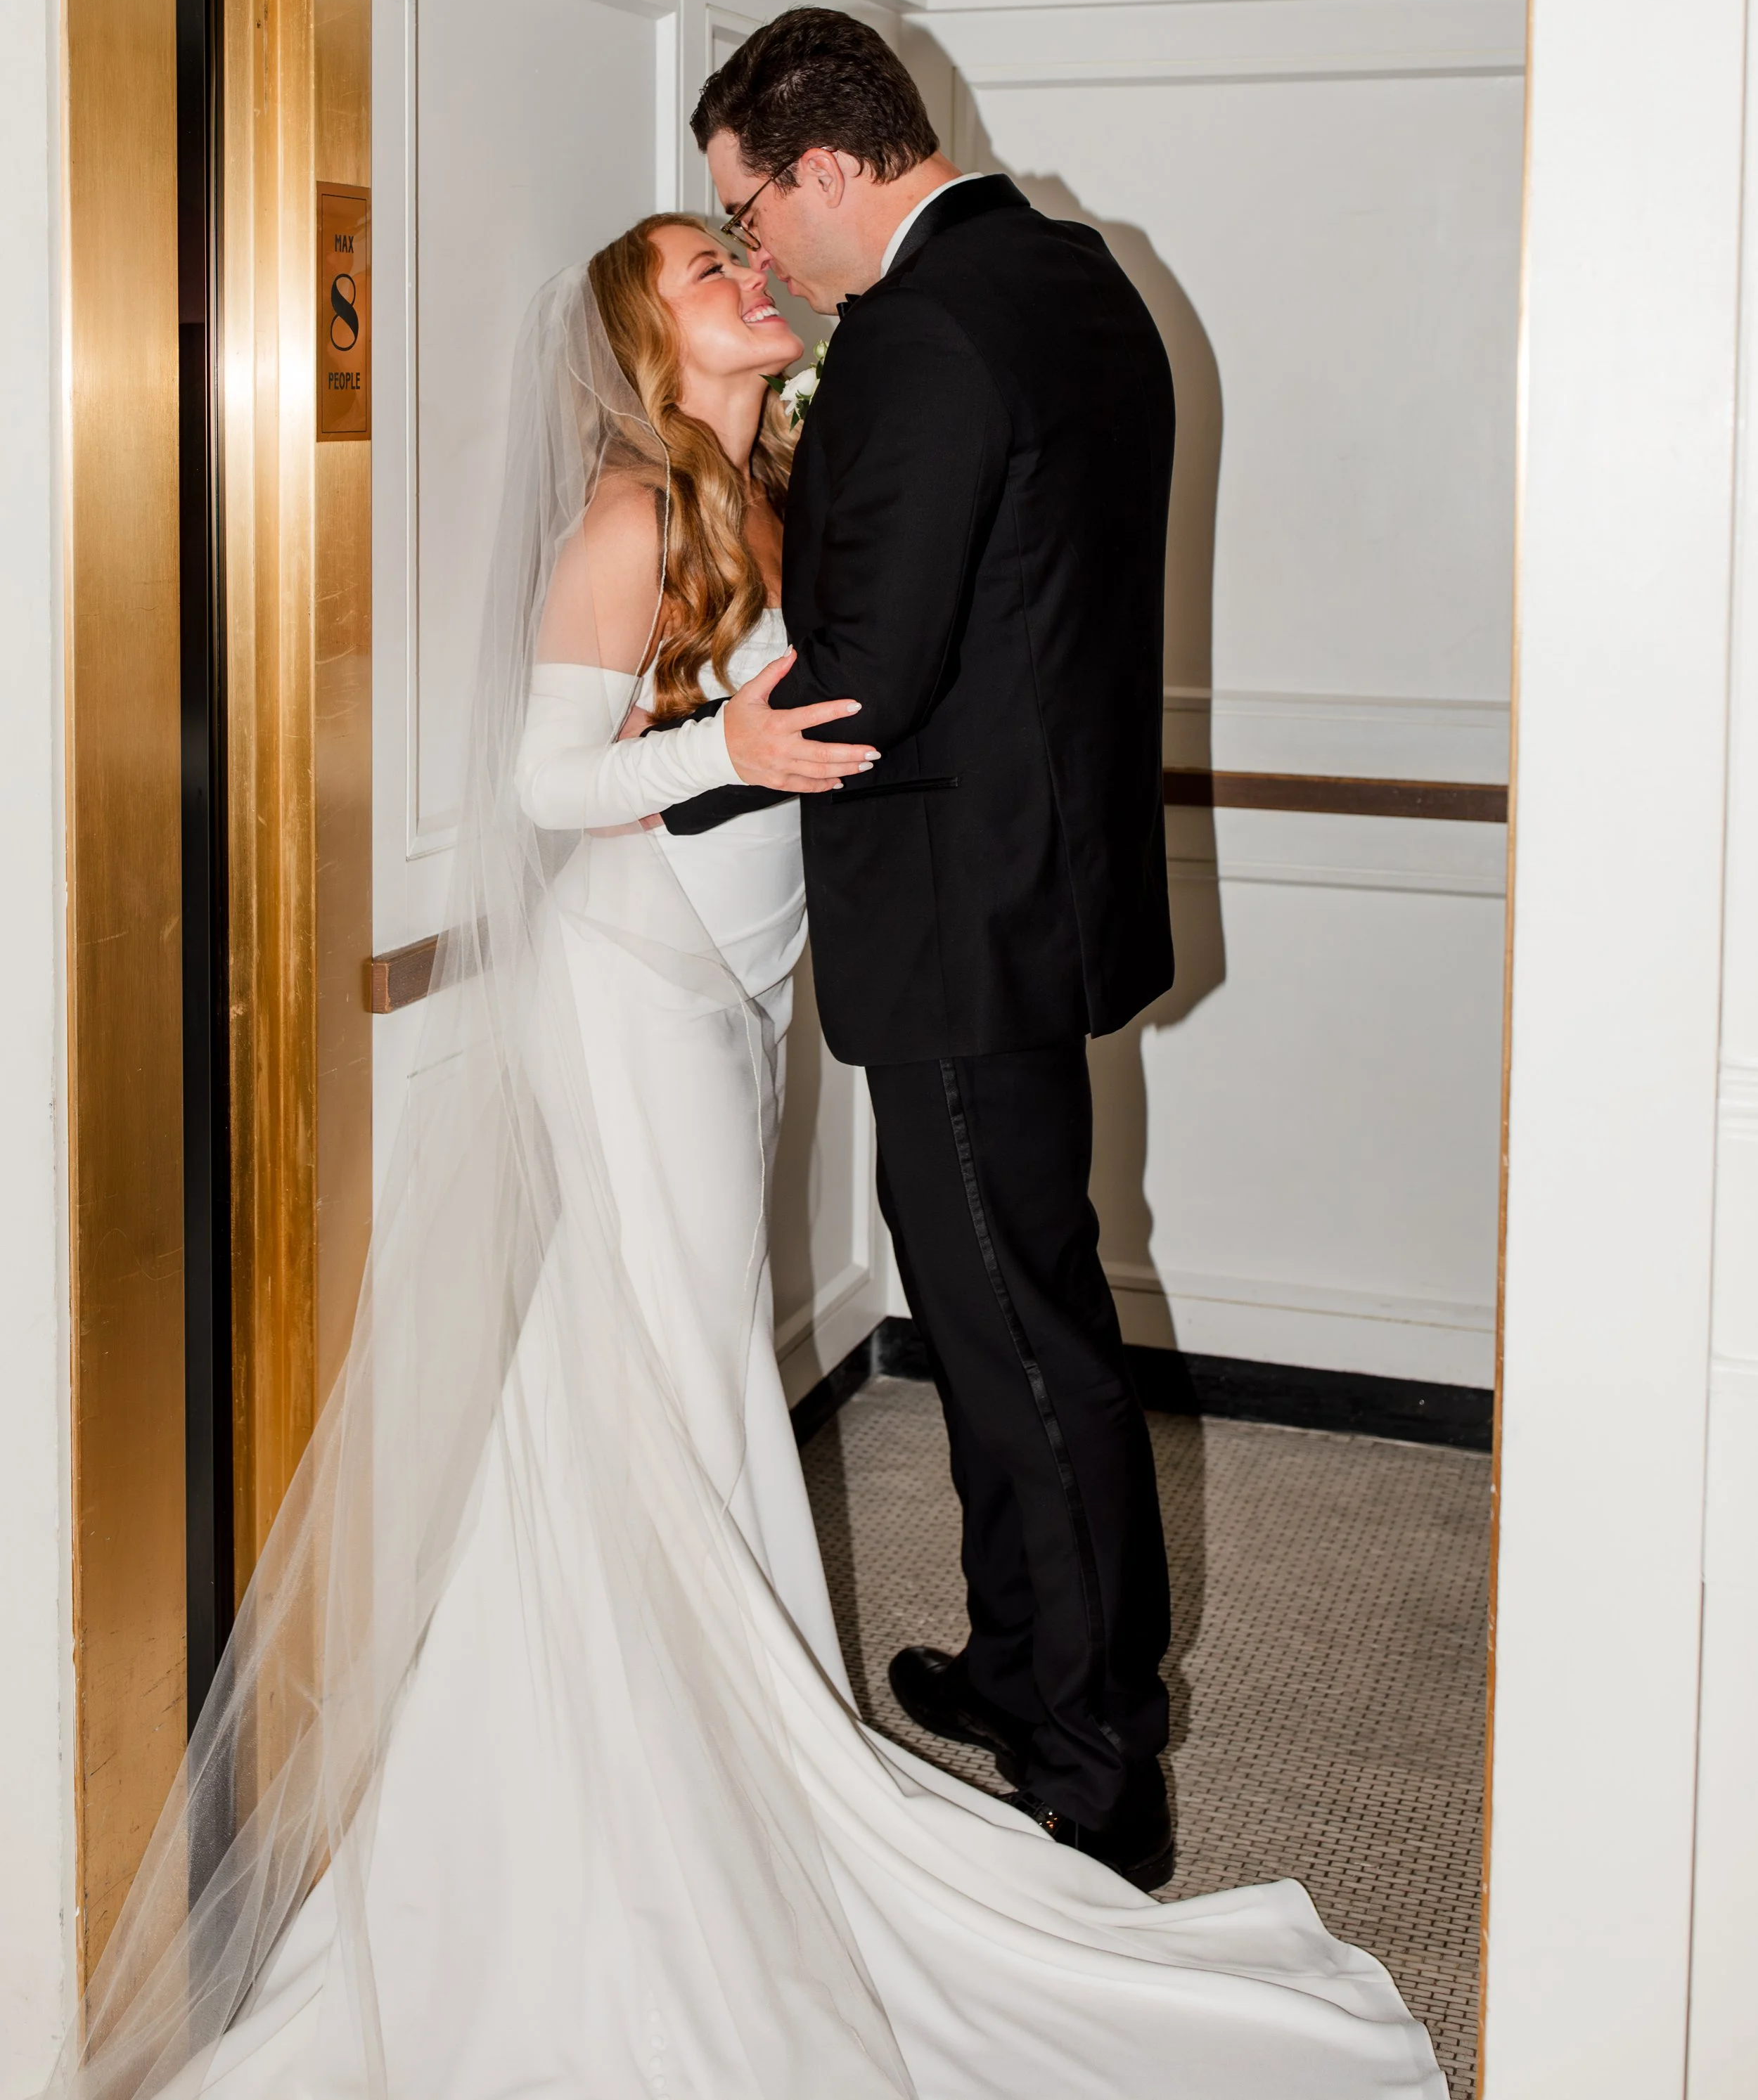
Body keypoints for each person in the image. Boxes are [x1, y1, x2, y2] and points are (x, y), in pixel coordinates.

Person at [46, 212, 1442, 2099]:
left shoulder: (772, 487)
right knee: (668, 1377)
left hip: (735, 994)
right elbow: (548, 788)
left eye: (735, 248)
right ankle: (647, 1789)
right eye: (705, 268)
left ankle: (702, 1729)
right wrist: (722, 742)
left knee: (675, 1383)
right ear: (648, 337)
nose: (741, 276)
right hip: (630, 997)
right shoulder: (628, 516)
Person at [671, 7, 1178, 1886]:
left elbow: (862, 671)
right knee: (1007, 1301)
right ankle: (1024, 1656)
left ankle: (1095, 1759)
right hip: (1038, 882)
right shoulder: (1076, 274)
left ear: (824, 164)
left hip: (959, 916)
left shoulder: (913, 334)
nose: (754, 258)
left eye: (750, 211)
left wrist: (658, 777)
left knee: (1016, 1334)